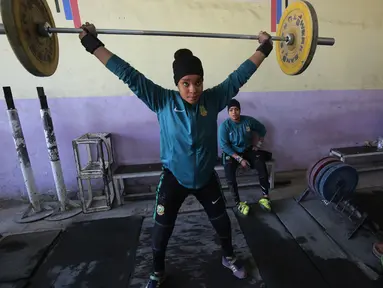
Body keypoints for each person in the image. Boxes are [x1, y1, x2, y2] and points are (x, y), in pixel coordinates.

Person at [78, 22, 273, 288]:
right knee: (160, 231)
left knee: (223, 225)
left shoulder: (213, 99)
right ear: (177, 83)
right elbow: (127, 74)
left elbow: (240, 75)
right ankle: (158, 272)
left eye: (197, 82)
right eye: (186, 83)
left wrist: (265, 47)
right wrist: (92, 44)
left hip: (205, 178)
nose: (193, 89)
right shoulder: (161, 100)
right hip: (174, 179)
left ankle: (228, 257)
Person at [219, 99, 272, 216]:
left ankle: (265, 198)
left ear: (239, 110)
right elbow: (224, 146)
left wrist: (258, 145)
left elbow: (262, 129)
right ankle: (238, 203)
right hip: (231, 153)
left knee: (260, 163)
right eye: (231, 110)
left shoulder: (248, 121)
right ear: (228, 112)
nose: (234, 112)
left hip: (247, 150)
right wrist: (239, 159)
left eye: (236, 109)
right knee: (229, 174)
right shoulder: (225, 126)